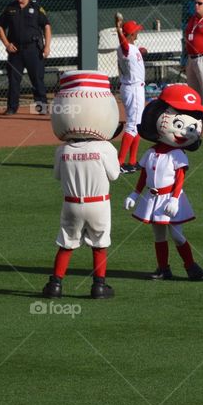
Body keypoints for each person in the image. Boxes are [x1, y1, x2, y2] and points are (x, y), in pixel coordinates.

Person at [43, 70, 122, 300]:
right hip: (99, 204)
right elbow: (115, 176)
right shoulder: (105, 148)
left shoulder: (62, 150)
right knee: (99, 244)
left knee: (66, 244)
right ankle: (99, 286)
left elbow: (57, 176)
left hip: (71, 204)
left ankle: (55, 285)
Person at [124, 85, 203, 281]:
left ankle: (191, 266)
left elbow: (180, 178)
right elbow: (143, 175)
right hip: (153, 199)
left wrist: (175, 199)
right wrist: (134, 194)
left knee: (177, 235)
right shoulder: (151, 152)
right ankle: (163, 269)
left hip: (170, 199)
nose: (184, 133)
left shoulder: (177, 154)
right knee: (159, 236)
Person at [0, 0, 52, 115]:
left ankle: (42, 108)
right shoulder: (10, 8)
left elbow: (46, 26)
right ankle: (11, 108)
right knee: (14, 81)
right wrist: (7, 44)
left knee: (37, 79)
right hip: (15, 50)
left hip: (33, 49)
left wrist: (47, 46)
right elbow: (0, 27)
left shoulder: (37, 8)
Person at [115, 13, 145, 174]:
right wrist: (118, 28)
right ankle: (119, 163)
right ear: (131, 34)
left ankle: (132, 161)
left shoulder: (130, 48)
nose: (138, 32)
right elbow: (125, 45)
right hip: (133, 88)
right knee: (133, 125)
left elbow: (129, 50)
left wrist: (141, 51)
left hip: (133, 88)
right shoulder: (125, 47)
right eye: (136, 30)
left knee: (137, 124)